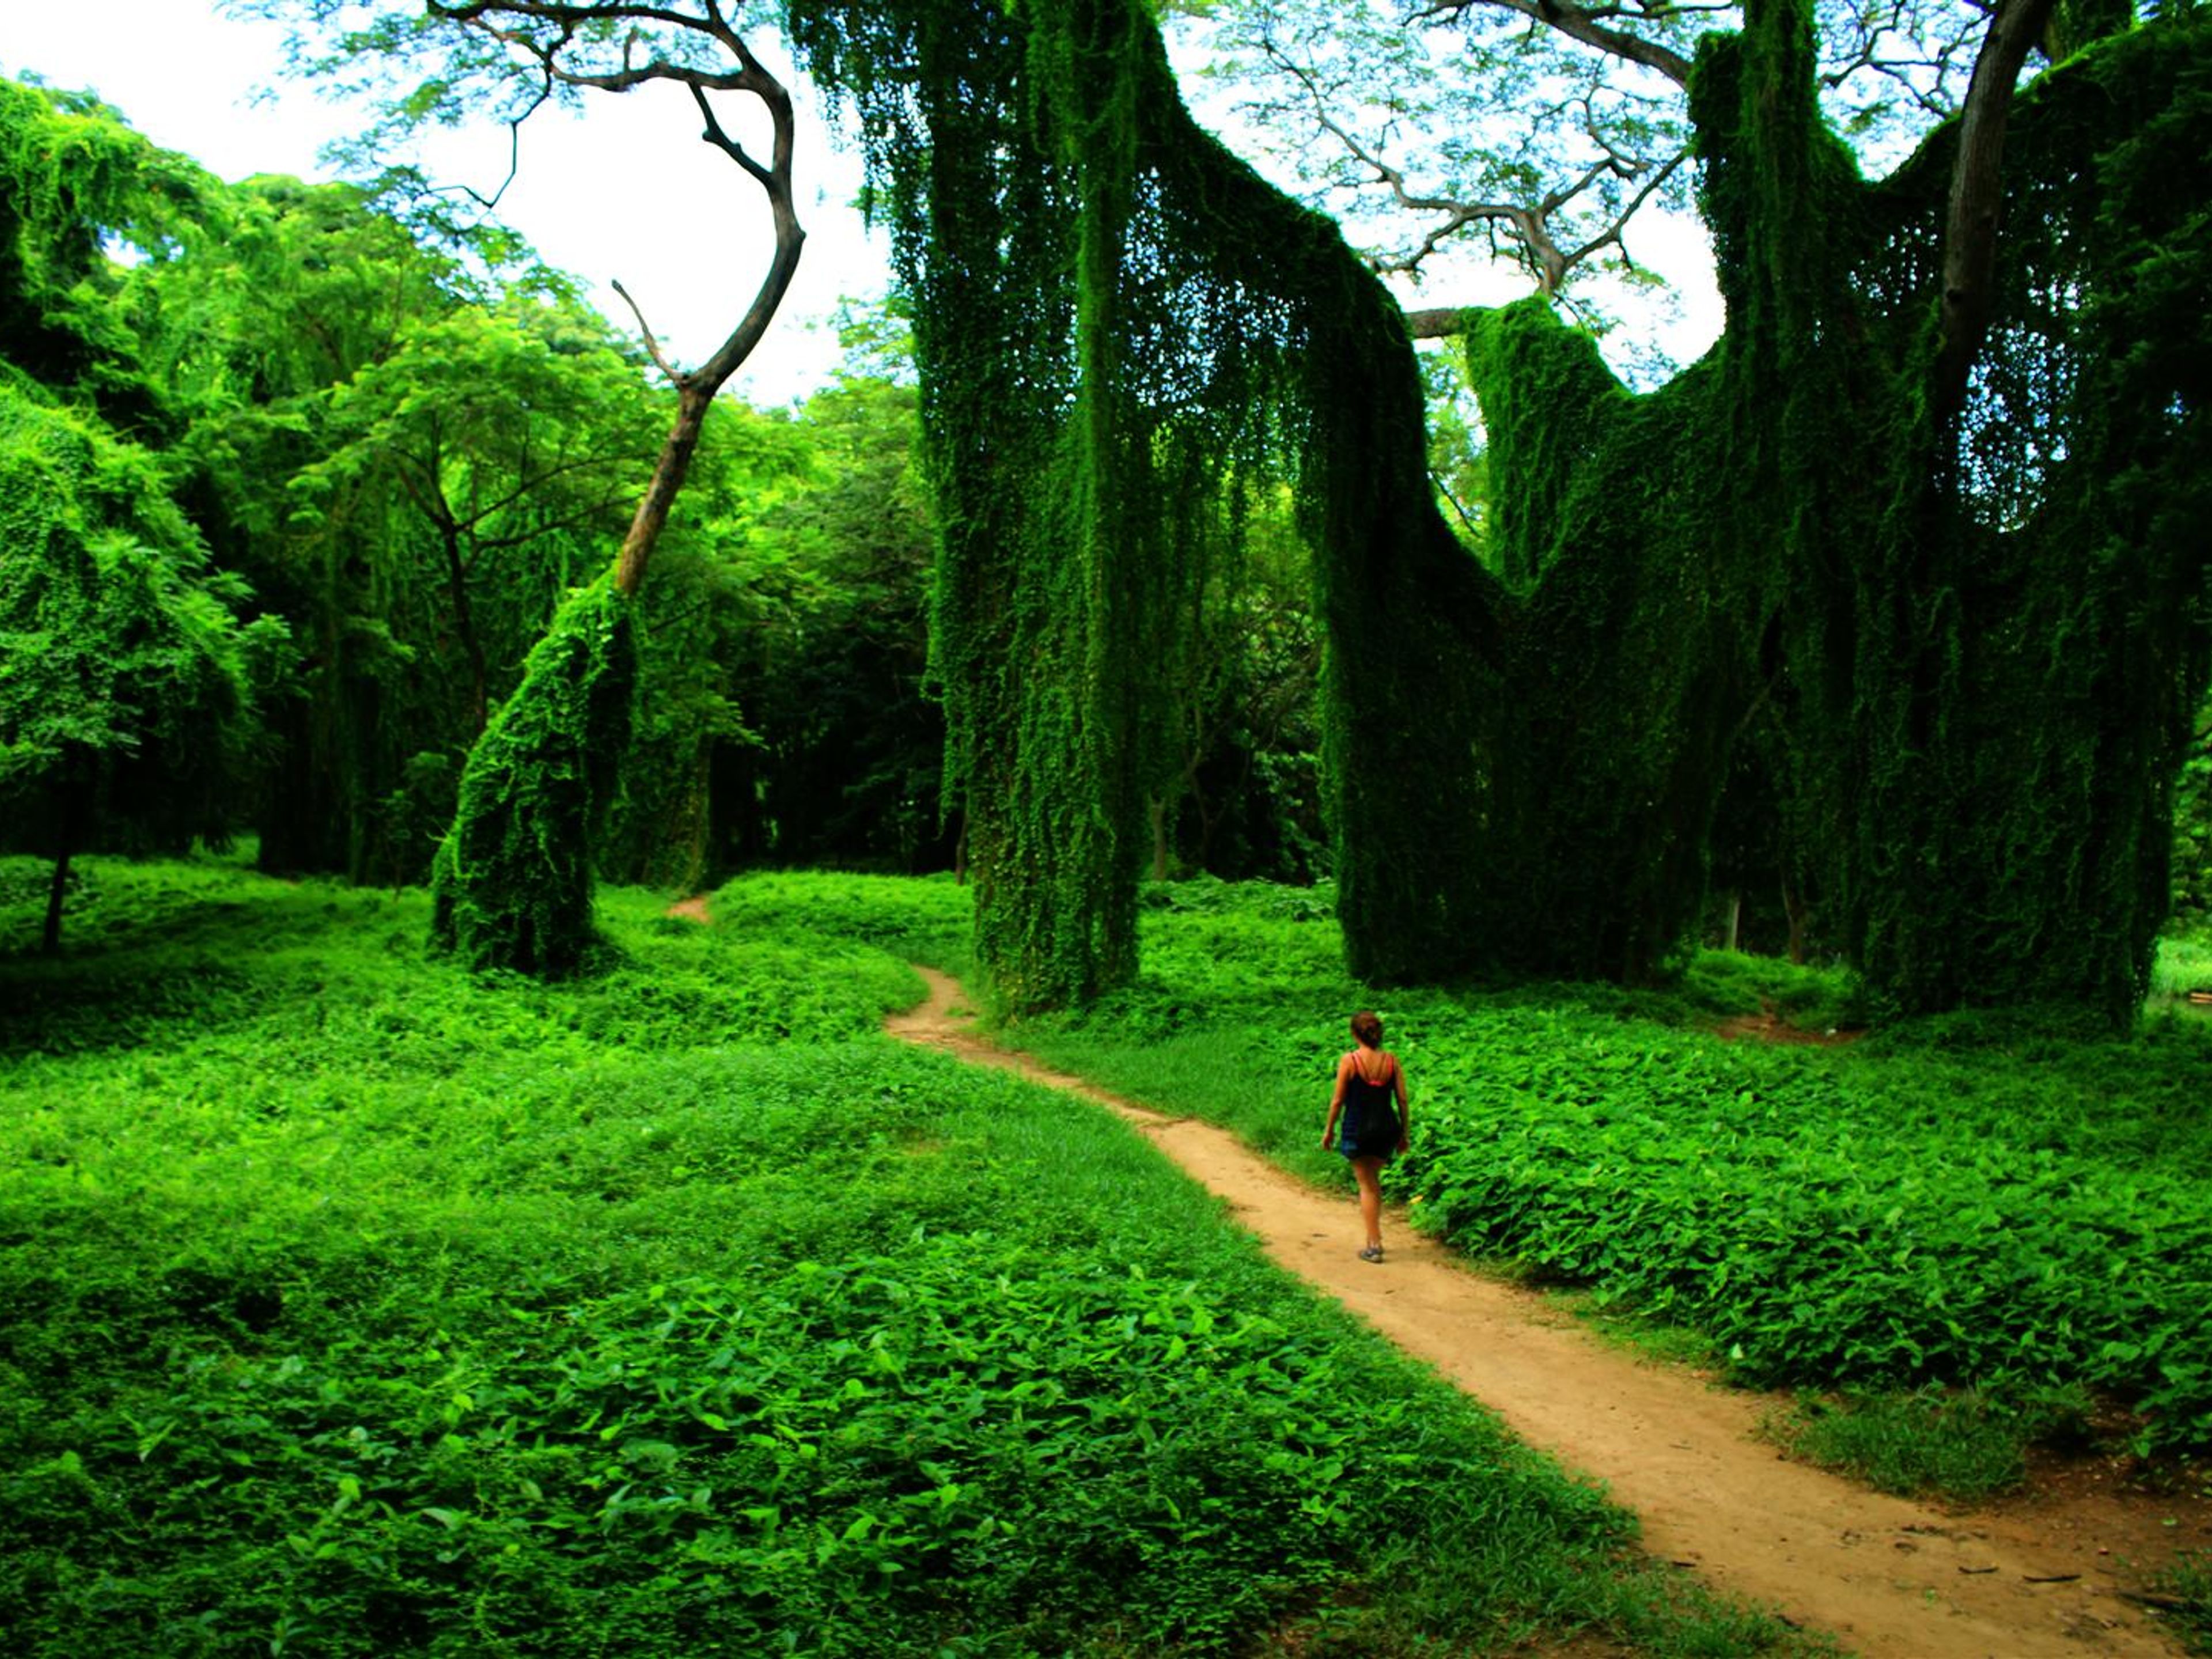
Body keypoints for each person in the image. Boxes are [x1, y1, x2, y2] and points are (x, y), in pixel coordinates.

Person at [1320, 1009, 1410, 1262]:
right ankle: (1375, 1236)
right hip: (1386, 1128)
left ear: (1354, 1033)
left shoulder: (1350, 1061)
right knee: (1373, 1181)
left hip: (1357, 1128)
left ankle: (1374, 1244)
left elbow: (1337, 1101)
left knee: (1366, 1185)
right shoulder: (1392, 1061)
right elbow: (1402, 1100)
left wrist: (1329, 1130)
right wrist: (1404, 1133)